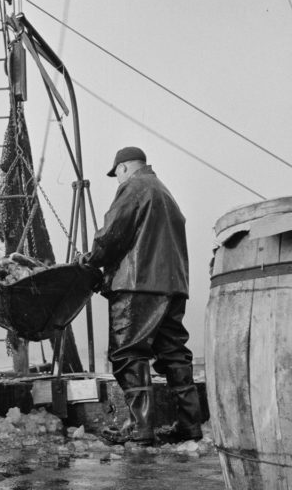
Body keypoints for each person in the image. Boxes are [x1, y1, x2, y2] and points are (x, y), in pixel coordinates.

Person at [79, 146, 202, 446]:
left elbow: (111, 235)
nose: (117, 179)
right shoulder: (165, 193)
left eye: (116, 174)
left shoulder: (133, 187)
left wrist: (91, 259)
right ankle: (190, 425)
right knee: (174, 353)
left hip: (138, 285)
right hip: (173, 286)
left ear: (122, 168)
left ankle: (141, 428)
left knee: (128, 354)